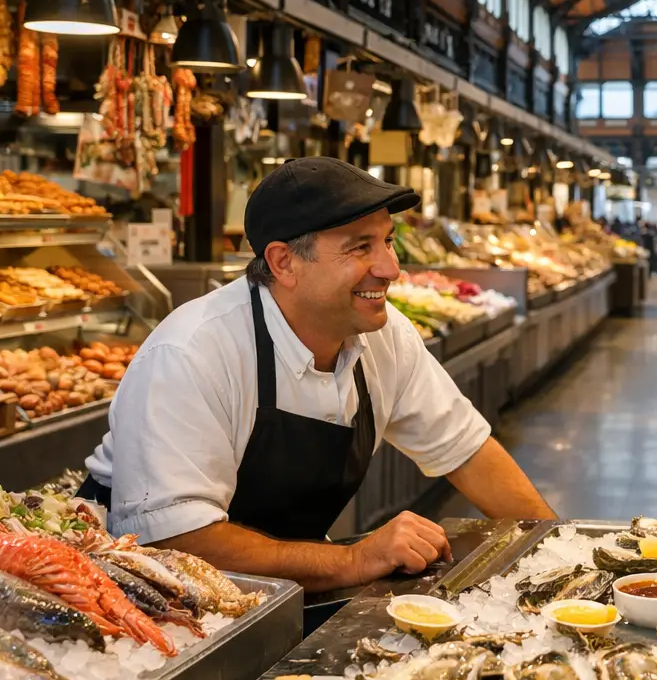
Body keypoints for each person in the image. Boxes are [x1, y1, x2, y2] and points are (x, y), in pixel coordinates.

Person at [83, 158, 555, 593]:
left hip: (282, 589)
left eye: (388, 240)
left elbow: (468, 452)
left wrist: (557, 555)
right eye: (360, 247)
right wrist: (352, 560)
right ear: (283, 262)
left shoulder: (384, 337)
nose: (391, 268)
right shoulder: (193, 352)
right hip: (137, 598)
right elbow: (179, 542)